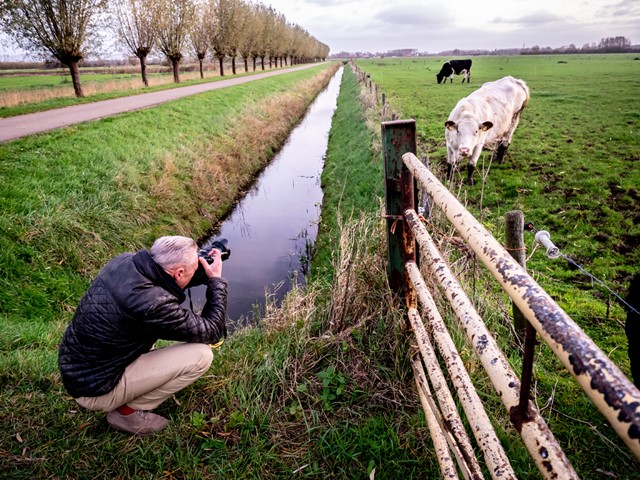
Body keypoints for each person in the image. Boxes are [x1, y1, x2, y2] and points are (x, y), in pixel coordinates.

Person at [58, 235, 227, 436]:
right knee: (201, 355)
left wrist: (202, 266)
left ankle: (129, 394)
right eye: (190, 270)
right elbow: (212, 331)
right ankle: (126, 413)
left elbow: (169, 279)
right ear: (179, 272)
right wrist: (216, 282)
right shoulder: (154, 305)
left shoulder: (124, 261)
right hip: (96, 389)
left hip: (78, 368)